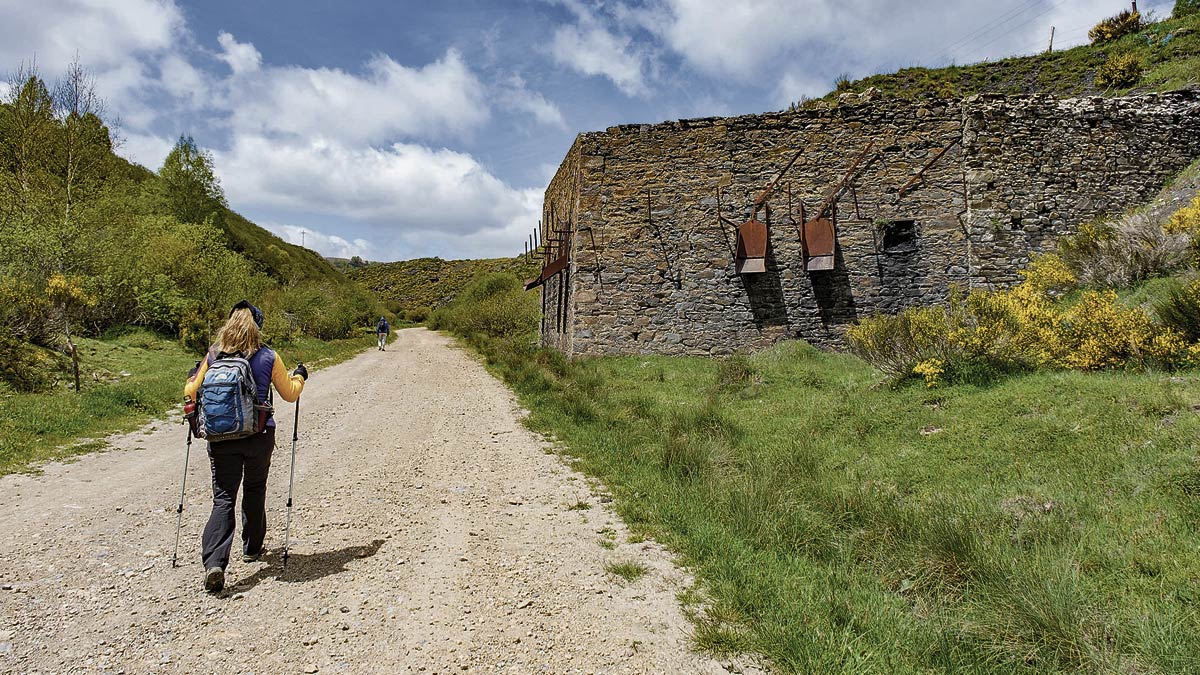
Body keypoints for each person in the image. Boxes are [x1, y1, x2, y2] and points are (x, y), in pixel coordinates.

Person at [184, 300, 307, 593]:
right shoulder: (268, 356)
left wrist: (194, 376)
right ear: (258, 326)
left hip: (220, 438)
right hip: (258, 436)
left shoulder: (213, 355)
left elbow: (190, 391)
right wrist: (300, 376)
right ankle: (252, 548)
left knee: (224, 497)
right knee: (254, 488)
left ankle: (215, 562)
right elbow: (289, 394)